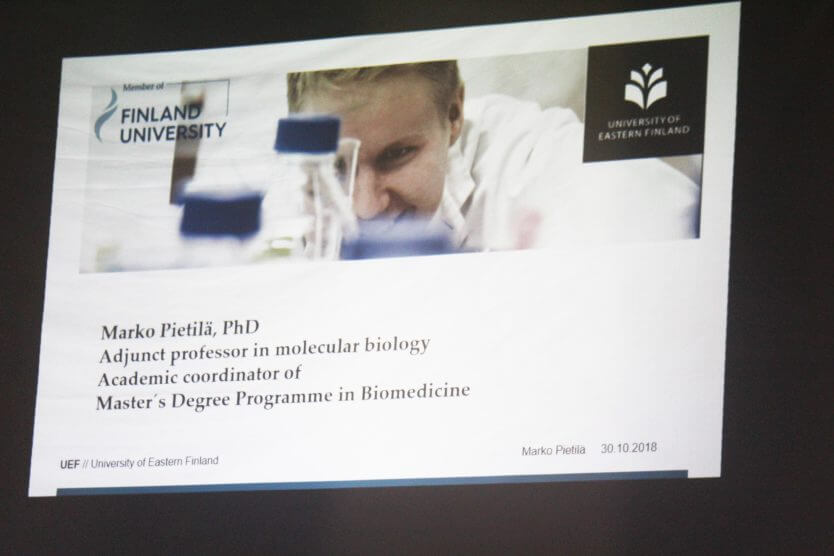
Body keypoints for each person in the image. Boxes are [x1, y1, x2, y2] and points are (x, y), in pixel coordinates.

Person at [286, 61, 699, 251]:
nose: (365, 207)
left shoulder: (530, 155)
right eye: (336, 167)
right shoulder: (289, 195)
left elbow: (649, 209)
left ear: (453, 115)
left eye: (397, 154)